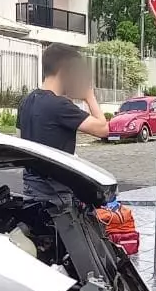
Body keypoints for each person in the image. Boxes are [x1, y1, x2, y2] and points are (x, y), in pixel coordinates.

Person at [17, 43, 110, 201]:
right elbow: (103, 129)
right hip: (55, 194)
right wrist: (89, 96)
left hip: (31, 189)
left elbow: (20, 139)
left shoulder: (26, 101)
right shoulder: (59, 105)